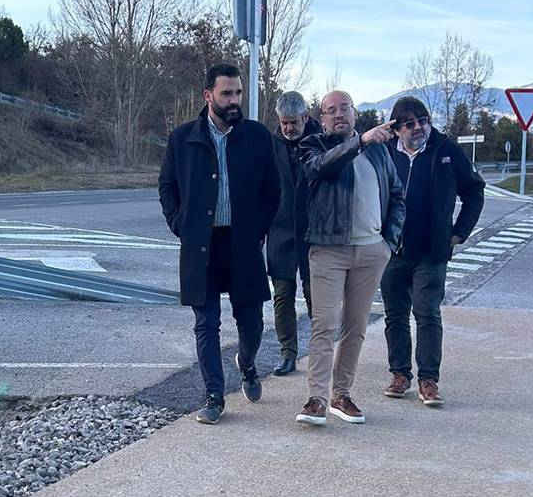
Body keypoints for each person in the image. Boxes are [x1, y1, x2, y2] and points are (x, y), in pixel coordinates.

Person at [158, 63, 280, 425]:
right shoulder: (182, 139)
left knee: (252, 322)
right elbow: (167, 187)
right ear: (208, 95)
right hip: (202, 247)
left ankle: (248, 364)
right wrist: (181, 224)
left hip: (243, 245)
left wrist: (258, 228)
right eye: (227, 93)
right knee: (206, 323)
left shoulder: (257, 136)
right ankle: (214, 395)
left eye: (238, 92)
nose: (234, 100)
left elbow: (272, 189)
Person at [294, 90, 404, 427]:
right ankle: (317, 399)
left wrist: (388, 242)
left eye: (345, 108)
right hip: (328, 249)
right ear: (322, 119)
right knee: (324, 325)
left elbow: (397, 195)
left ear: (355, 113)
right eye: (331, 110)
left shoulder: (380, 152)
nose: (339, 114)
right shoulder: (313, 145)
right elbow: (321, 168)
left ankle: (341, 395)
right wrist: (361, 142)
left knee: (355, 327)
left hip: (371, 251)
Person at [380, 96, 485, 407]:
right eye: (410, 123)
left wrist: (459, 232)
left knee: (427, 312)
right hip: (391, 251)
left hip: (431, 252)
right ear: (396, 129)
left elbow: (474, 191)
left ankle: (428, 380)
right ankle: (400, 374)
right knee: (395, 315)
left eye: (423, 120)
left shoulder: (445, 151)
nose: (418, 127)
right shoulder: (385, 153)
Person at [267, 90, 321, 376]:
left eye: (294, 123)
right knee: (283, 297)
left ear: (306, 117)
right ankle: (288, 353)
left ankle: (321, 353)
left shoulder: (321, 141)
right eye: (284, 123)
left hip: (314, 234)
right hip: (280, 233)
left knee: (317, 299)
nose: (289, 128)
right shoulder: (269, 145)